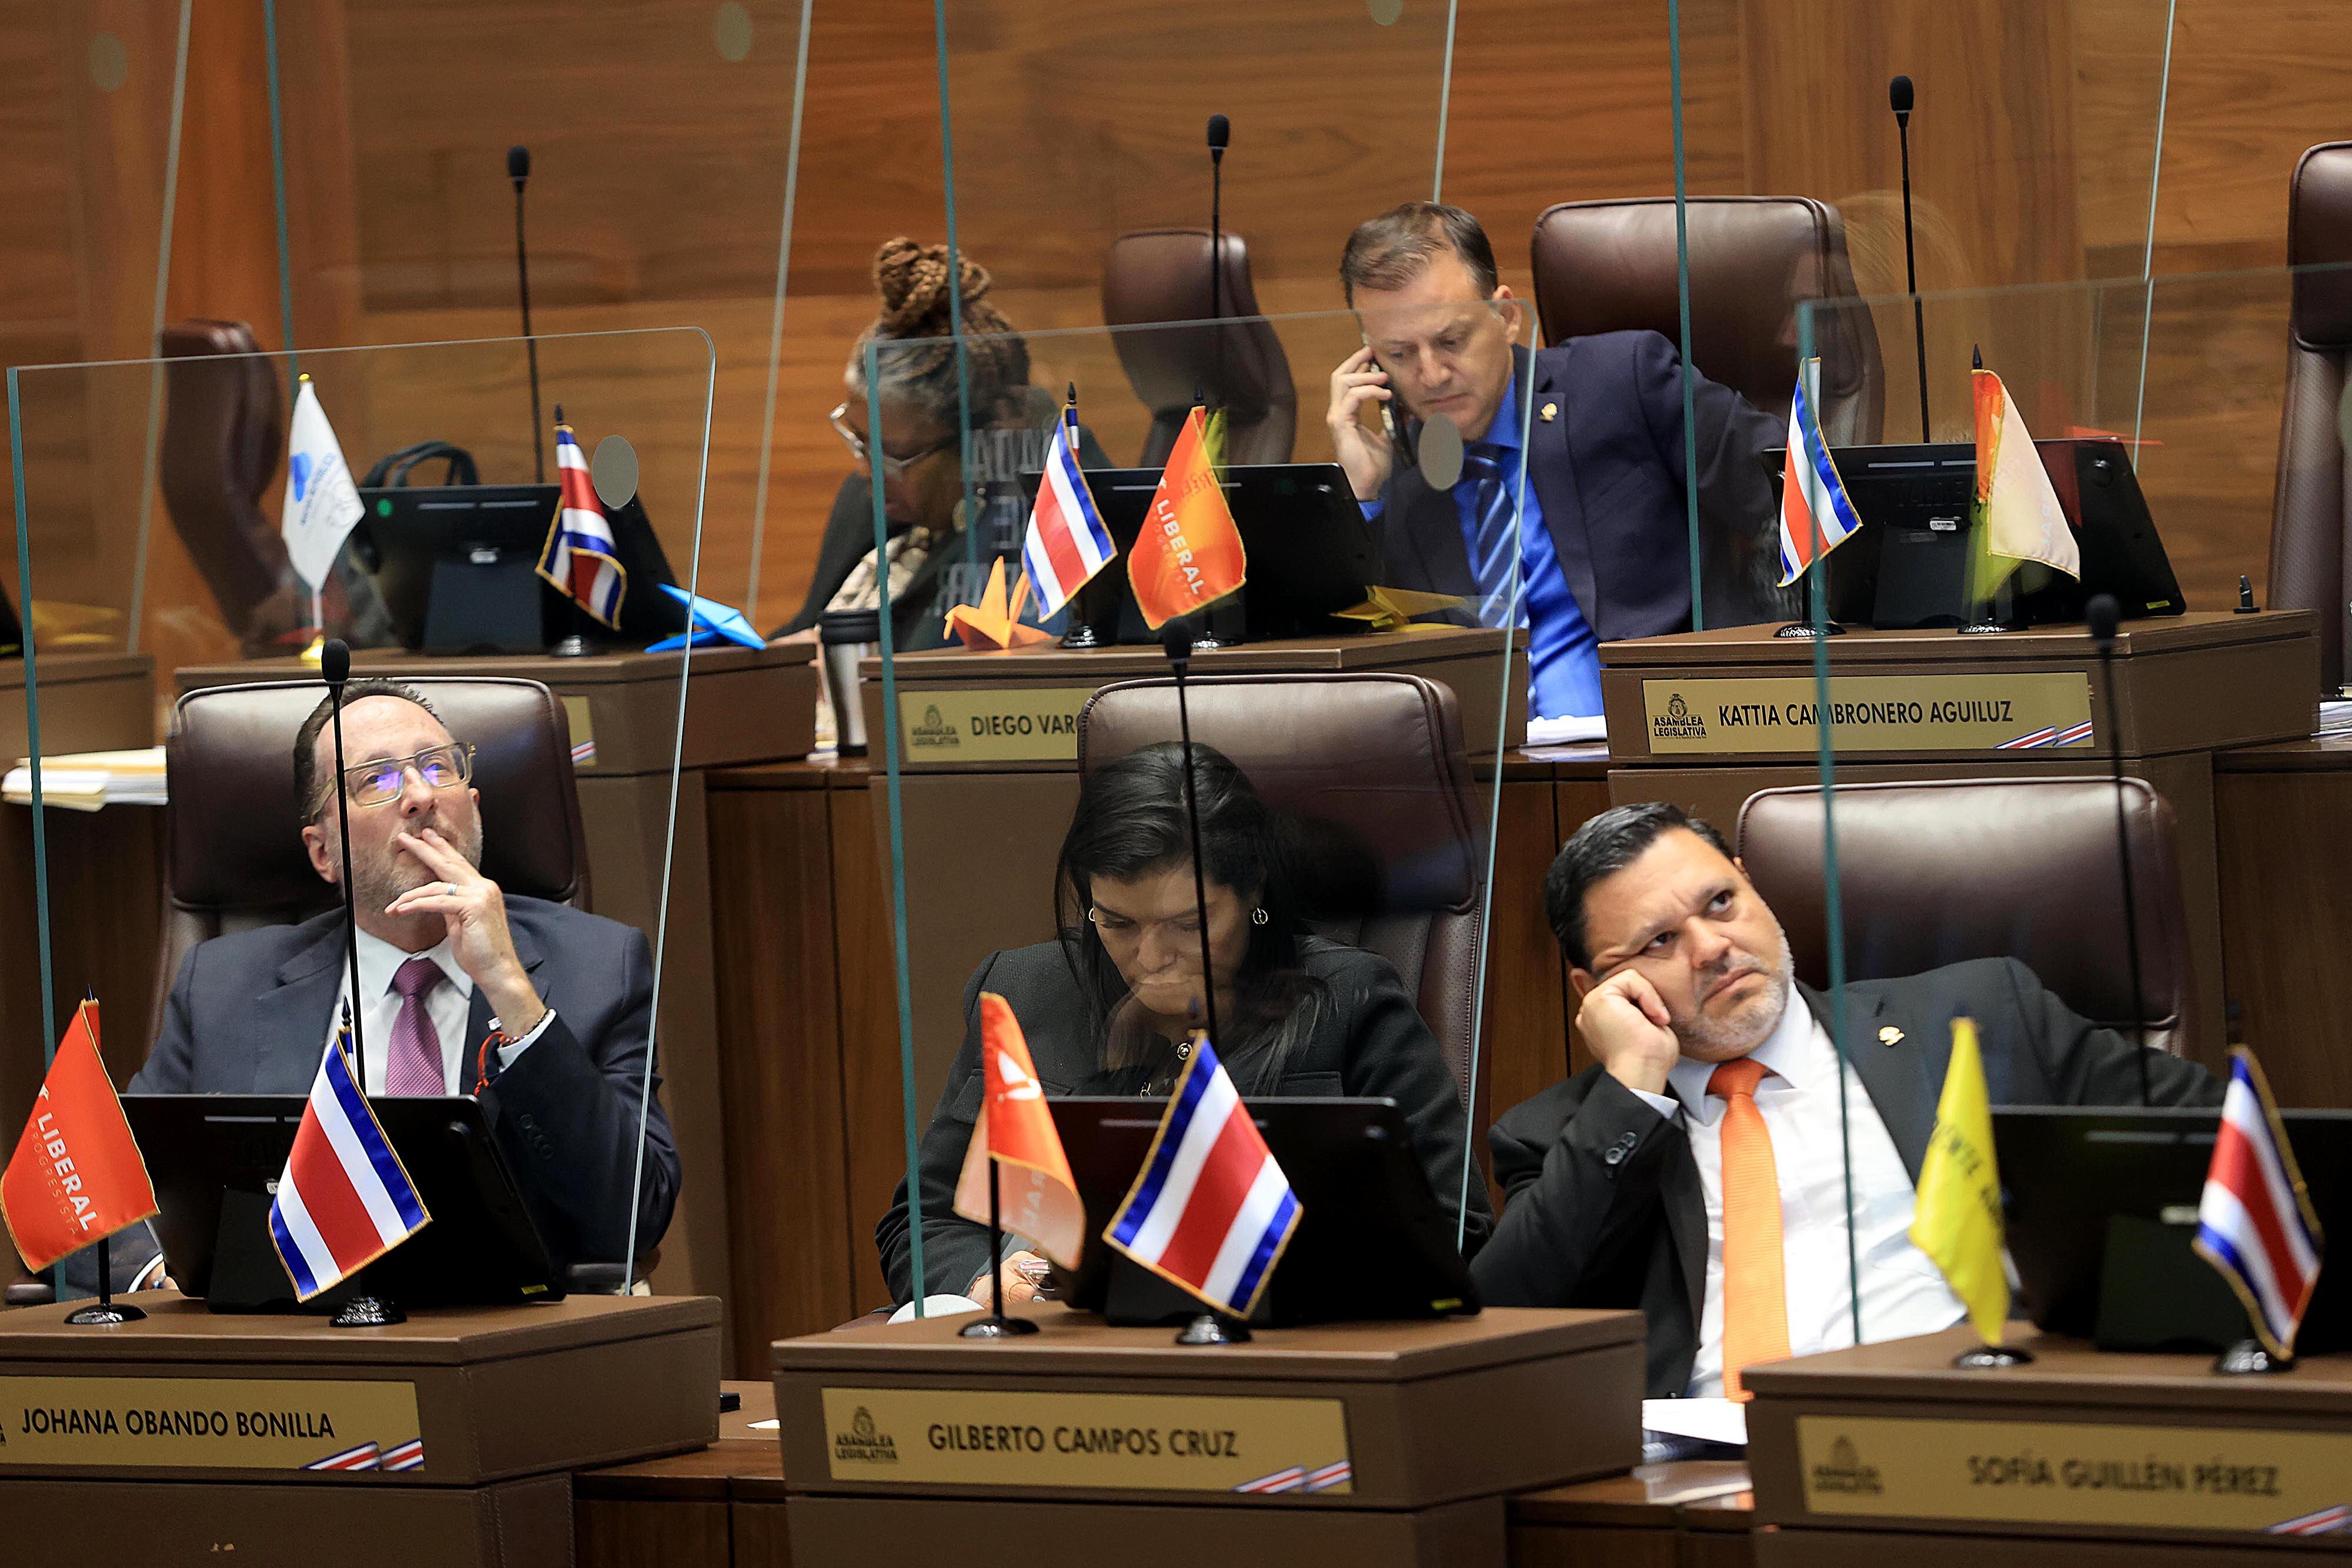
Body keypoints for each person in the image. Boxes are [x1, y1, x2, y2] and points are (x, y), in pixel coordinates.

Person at [1471, 801, 2220, 1400]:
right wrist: (1633, 1086)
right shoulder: (1566, 1133)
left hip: (1967, 1424)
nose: (1711, 947)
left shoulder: (1978, 1016)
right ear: (1596, 990)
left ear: (1751, 885)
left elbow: (2229, 1144)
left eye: (1722, 902)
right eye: (1659, 942)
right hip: (1700, 1476)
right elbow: (1500, 1328)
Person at [82, 678, 679, 1292]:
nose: (419, 796)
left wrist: (511, 992)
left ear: (473, 806)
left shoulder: (599, 968)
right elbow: (90, 1190)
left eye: (438, 768)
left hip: (504, 1332)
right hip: (288, 1337)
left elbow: (637, 1215)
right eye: (376, 779)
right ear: (323, 852)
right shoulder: (222, 988)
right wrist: (161, 1278)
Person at [878, 741, 1490, 1307]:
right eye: (1117, 923)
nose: (1150, 957)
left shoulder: (1350, 1001)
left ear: (1252, 891)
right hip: (1059, 1349)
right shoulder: (1025, 992)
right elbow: (924, 1221)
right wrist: (984, 1281)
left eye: (1190, 924)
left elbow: (1455, 1228)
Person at [1328, 203, 1785, 721]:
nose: (1431, 375)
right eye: (1400, 354)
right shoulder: (1404, 477)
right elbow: (1366, 667)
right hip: (1501, 760)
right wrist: (1363, 498)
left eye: (1451, 341)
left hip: (1659, 729)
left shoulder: (1622, 381)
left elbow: (1801, 495)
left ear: (1507, 318)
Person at [777, 238, 1100, 651]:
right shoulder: (865, 502)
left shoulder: (1044, 519)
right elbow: (805, 625)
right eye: (859, 441)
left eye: (894, 453)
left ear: (979, 445)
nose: (865, 469)